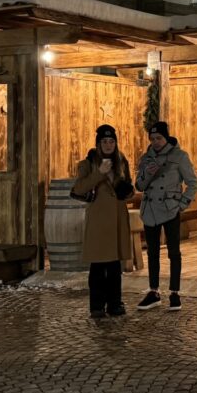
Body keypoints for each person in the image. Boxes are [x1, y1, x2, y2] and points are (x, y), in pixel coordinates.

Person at [135, 121, 197, 312]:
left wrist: (182, 204)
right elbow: (139, 186)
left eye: (159, 138)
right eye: (152, 139)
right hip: (150, 211)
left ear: (166, 137)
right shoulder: (146, 158)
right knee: (152, 252)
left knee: (174, 252)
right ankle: (154, 291)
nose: (155, 142)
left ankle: (174, 293)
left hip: (170, 209)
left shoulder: (179, 156)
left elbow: (192, 183)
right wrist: (147, 173)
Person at [72, 124, 134, 319]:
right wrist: (99, 173)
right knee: (98, 266)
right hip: (99, 220)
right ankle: (96, 306)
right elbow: (79, 188)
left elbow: (129, 189)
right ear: (98, 144)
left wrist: (126, 190)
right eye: (105, 142)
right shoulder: (87, 164)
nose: (108, 145)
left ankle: (115, 303)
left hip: (116, 218)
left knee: (115, 266)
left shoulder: (121, 162)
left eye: (112, 141)